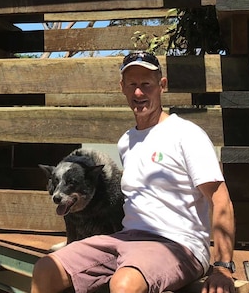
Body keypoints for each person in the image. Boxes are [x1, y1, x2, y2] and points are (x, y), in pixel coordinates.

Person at [31, 51, 236, 293]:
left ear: (162, 86)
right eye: (132, 85)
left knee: (125, 283)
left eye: (146, 84)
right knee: (45, 269)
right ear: (123, 88)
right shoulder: (126, 141)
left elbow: (220, 198)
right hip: (127, 238)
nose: (139, 92)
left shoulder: (186, 134)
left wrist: (222, 266)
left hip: (179, 245)